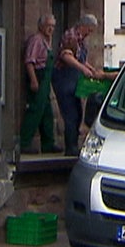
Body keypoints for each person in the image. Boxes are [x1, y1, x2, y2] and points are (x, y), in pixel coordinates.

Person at [51, 14, 109, 156]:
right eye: (89, 29)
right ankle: (70, 148)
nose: (90, 33)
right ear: (83, 26)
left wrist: (91, 69)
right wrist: (82, 69)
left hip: (74, 79)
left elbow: (80, 59)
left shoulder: (81, 40)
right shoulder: (71, 36)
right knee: (70, 114)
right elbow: (66, 56)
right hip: (64, 78)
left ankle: (74, 145)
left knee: (78, 112)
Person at [19, 14, 60, 154]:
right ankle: (24, 143)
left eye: (53, 26)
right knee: (35, 111)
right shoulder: (36, 40)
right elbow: (29, 61)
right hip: (39, 76)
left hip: (46, 81)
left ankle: (48, 144)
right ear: (41, 26)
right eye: (48, 25)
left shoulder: (47, 41)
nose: (51, 29)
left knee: (47, 112)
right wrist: (33, 80)